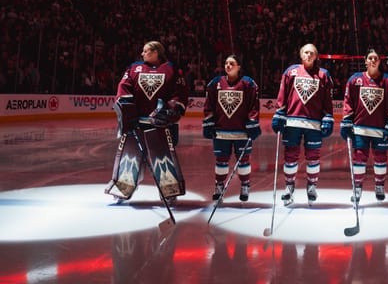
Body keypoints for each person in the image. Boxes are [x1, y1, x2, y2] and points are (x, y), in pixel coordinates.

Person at [105, 40, 189, 204]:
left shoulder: (171, 69)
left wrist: (172, 110)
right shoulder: (134, 68)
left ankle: (169, 191)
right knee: (129, 156)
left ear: (156, 52)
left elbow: (180, 93)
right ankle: (124, 187)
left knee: (164, 157)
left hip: (161, 123)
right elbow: (124, 87)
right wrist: (128, 112)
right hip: (137, 122)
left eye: (146, 51)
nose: (142, 54)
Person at [271, 43, 334, 206]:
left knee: (313, 158)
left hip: (314, 124)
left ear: (316, 56)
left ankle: (312, 186)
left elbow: (327, 100)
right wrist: (279, 113)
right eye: (306, 52)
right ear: (301, 55)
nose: (308, 55)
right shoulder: (291, 72)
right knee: (290, 157)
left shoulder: (323, 75)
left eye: (312, 53)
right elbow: (282, 95)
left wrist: (328, 117)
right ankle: (289, 187)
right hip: (292, 121)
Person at [340, 48, 388, 202]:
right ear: (365, 61)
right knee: (359, 159)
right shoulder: (355, 80)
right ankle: (357, 188)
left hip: (380, 130)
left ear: (379, 61)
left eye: (376, 58)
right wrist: (347, 120)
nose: (373, 61)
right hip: (360, 128)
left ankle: (379, 185)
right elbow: (348, 102)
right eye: (370, 58)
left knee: (380, 159)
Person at [203, 54, 261, 202]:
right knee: (221, 160)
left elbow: (254, 105)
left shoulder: (248, 84)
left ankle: (245, 185)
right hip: (221, 131)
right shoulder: (216, 83)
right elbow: (209, 105)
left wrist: (252, 123)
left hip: (241, 131)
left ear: (239, 67)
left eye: (232, 63)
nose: (228, 66)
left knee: (243, 161)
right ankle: (219, 185)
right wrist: (209, 123)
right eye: (226, 63)